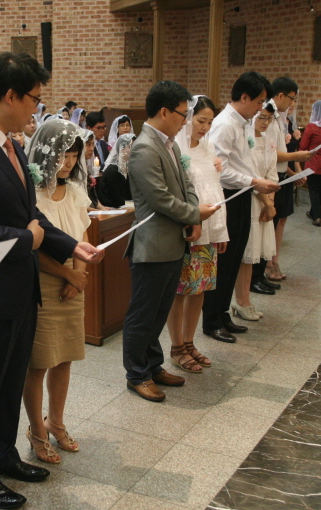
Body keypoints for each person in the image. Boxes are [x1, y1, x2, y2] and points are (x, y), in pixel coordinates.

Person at [0, 52, 103, 510]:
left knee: (9, 382)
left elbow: (31, 216)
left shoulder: (11, 147)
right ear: (10, 95)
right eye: (33, 98)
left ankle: (1, 454)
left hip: (19, 288)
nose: (36, 107)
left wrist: (70, 246)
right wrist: (29, 240)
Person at [122, 81, 218, 403]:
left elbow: (187, 184)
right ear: (164, 112)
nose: (185, 120)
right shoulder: (144, 148)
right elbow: (160, 199)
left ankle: (153, 365)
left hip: (173, 242)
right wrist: (194, 214)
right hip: (152, 245)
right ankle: (137, 375)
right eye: (182, 114)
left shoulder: (171, 145)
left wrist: (193, 215)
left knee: (159, 312)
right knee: (143, 314)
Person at [23, 119, 90, 464]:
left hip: (73, 282)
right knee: (39, 363)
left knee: (64, 358)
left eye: (74, 156)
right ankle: (36, 429)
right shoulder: (32, 194)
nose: (69, 163)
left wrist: (79, 274)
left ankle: (57, 422)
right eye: (64, 155)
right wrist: (67, 273)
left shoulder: (76, 191)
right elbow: (34, 248)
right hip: (44, 281)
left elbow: (83, 236)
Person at [202, 72, 279, 344]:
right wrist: (254, 181)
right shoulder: (225, 124)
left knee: (235, 258)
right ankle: (211, 320)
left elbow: (245, 162)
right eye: (258, 101)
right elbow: (220, 170)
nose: (260, 108)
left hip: (243, 194)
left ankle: (223, 313)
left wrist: (256, 183)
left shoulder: (244, 123)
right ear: (244, 97)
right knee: (224, 261)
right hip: (228, 196)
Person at [167, 96, 228, 373]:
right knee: (181, 290)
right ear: (188, 118)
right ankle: (176, 346)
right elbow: (179, 193)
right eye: (201, 121)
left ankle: (190, 342)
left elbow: (216, 189)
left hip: (209, 229)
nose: (205, 127)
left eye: (210, 122)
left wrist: (221, 231)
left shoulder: (208, 146)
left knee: (200, 288)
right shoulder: (175, 148)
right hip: (188, 230)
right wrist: (192, 219)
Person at [259, 77, 312, 282]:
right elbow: (270, 153)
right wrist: (296, 158)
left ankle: (271, 263)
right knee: (267, 224)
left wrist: (294, 169)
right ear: (280, 95)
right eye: (291, 98)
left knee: (278, 221)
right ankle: (263, 269)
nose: (292, 103)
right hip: (271, 176)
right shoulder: (269, 116)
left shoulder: (281, 118)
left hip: (280, 174)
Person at [232, 103, 278, 321]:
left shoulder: (268, 141)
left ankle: (246, 300)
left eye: (269, 118)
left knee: (254, 256)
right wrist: (266, 202)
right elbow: (249, 174)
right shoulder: (246, 140)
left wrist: (271, 203)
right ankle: (241, 300)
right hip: (250, 199)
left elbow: (272, 173)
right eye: (261, 117)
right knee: (246, 255)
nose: (265, 122)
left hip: (265, 202)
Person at [97, 132, 135, 208]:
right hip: (111, 208)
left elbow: (130, 194)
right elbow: (117, 200)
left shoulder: (128, 168)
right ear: (122, 148)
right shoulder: (113, 170)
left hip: (125, 205)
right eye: (131, 147)